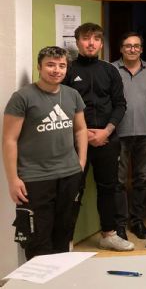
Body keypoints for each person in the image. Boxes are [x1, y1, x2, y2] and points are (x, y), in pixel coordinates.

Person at [2, 47, 87, 260]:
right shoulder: (22, 97)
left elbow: (80, 129)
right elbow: (9, 140)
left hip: (69, 175)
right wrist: (13, 179)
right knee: (37, 240)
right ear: (39, 67)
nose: (56, 70)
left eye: (62, 65)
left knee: (64, 234)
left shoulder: (72, 95)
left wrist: (81, 163)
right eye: (50, 64)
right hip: (34, 179)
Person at [63, 23, 133, 251]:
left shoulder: (110, 70)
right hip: (74, 142)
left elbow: (120, 104)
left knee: (109, 188)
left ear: (102, 43)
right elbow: (61, 105)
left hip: (106, 139)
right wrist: (80, 134)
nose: (91, 42)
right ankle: (67, 240)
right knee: (72, 189)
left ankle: (108, 234)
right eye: (86, 38)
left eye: (95, 38)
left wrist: (106, 131)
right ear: (78, 42)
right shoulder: (68, 70)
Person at [112, 32, 146, 241]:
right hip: (118, 134)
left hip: (145, 133)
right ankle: (119, 224)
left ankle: (137, 221)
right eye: (128, 45)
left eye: (136, 46)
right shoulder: (110, 69)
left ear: (141, 49)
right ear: (121, 49)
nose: (132, 49)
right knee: (119, 181)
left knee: (141, 179)